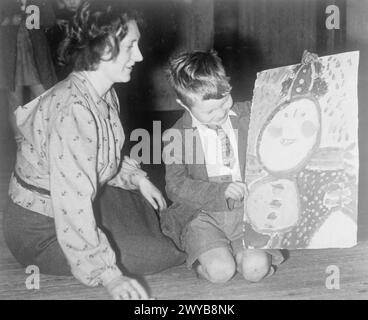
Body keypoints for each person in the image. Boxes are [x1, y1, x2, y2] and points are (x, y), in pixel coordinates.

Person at [3, 3, 184, 300]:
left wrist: (136, 178)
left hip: (76, 200)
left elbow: (101, 157)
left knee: (146, 210)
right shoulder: (73, 109)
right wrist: (109, 276)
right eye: (131, 46)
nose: (139, 56)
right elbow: (72, 202)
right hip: (40, 230)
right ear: (101, 48)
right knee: (159, 253)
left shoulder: (102, 91)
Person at [161, 50, 285, 283]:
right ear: (183, 104)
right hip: (202, 216)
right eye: (209, 111)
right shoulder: (175, 136)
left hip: (246, 212)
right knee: (221, 272)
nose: (221, 113)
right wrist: (220, 192)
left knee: (255, 270)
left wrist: (307, 69)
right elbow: (175, 187)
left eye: (225, 101)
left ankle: (241, 256)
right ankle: (209, 261)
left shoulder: (247, 112)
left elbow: (280, 98)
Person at [0, 0, 57, 140]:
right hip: (11, 55)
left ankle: (46, 137)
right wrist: (8, 20)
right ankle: (20, 141)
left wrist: (34, 17)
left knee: (45, 95)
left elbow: (50, 20)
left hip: (35, 53)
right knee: (15, 100)